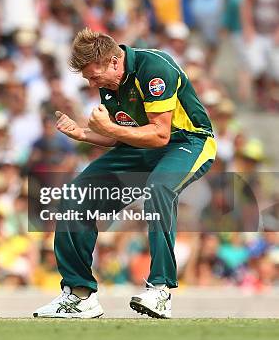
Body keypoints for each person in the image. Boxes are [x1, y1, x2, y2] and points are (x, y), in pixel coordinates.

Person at [33, 28, 216, 319]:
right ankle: (78, 296)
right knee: (74, 198)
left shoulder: (154, 68)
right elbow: (122, 135)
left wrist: (107, 129)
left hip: (189, 142)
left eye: (94, 76)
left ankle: (160, 290)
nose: (93, 84)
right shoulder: (110, 81)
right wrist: (82, 133)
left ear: (114, 63)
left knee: (159, 188)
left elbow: (160, 135)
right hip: (141, 147)